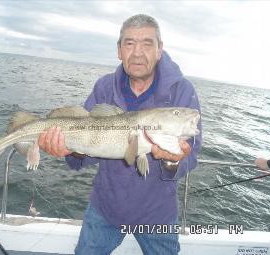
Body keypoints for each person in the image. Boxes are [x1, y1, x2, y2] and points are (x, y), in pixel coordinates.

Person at [39, 14, 202, 255]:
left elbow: (192, 153)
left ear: (159, 50)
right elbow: (86, 151)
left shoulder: (182, 90)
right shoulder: (104, 87)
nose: (137, 52)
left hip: (157, 213)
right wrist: (68, 149)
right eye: (129, 43)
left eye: (147, 43)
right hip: (105, 207)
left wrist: (172, 159)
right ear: (119, 50)